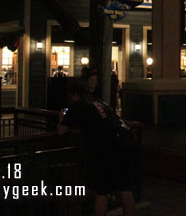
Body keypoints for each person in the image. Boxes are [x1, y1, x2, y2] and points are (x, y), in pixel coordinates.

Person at [57, 79, 136, 216]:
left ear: (74, 95)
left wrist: (62, 118)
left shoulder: (78, 106)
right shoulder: (101, 103)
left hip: (104, 150)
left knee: (101, 190)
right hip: (123, 144)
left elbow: (60, 131)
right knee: (124, 188)